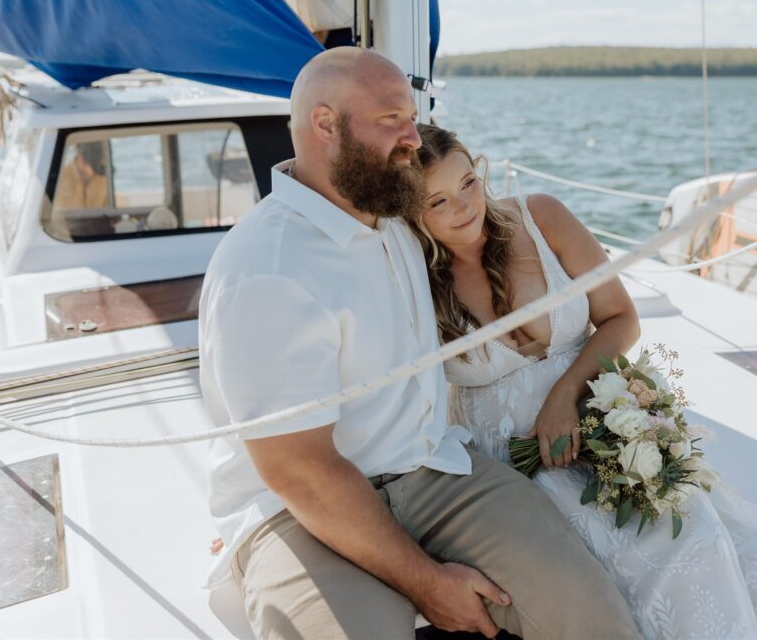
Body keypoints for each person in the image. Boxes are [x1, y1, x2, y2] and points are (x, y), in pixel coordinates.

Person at [198, 47, 641, 640]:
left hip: (435, 468)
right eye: (391, 120)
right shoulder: (268, 268)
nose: (412, 137)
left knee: (592, 617)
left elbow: (476, 215)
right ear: (325, 124)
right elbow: (299, 471)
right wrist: (428, 584)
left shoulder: (397, 217)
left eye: (413, 115)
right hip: (304, 512)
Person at [410, 124, 757, 640]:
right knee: (603, 574)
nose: (464, 206)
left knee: (694, 540)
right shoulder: (412, 277)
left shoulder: (541, 217)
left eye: (468, 183)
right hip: (514, 465)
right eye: (439, 201)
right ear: (412, 215)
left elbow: (620, 317)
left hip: (601, 424)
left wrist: (565, 395)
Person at [52, 142, 109, 210]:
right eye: (91, 162)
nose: (92, 172)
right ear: (80, 156)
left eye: (97, 163)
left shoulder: (102, 181)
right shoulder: (59, 179)